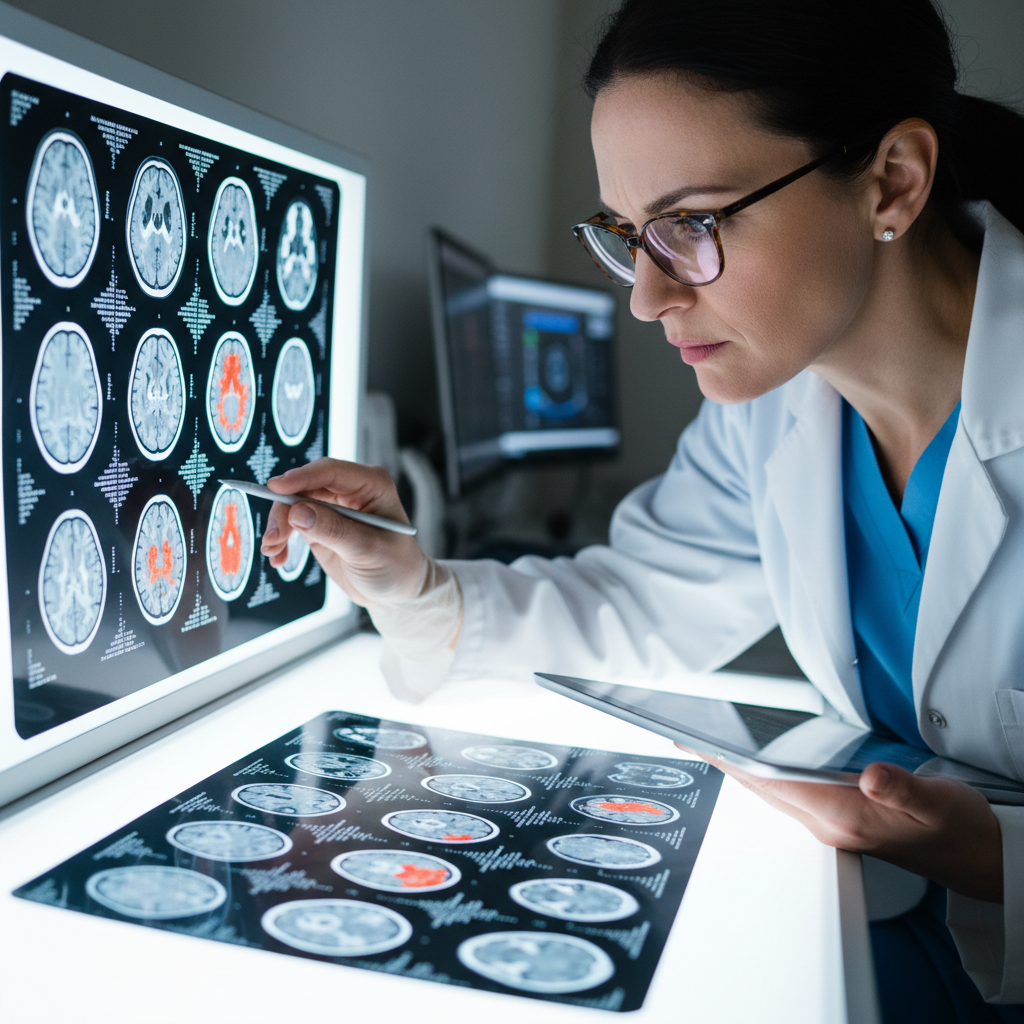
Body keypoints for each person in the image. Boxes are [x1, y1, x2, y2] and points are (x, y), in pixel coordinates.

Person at [261, 1, 1024, 1016]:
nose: (648, 298)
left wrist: (999, 856)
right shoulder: (781, 406)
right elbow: (640, 601)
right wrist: (420, 584)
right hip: (883, 927)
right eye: (628, 236)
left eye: (693, 226)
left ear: (892, 180)